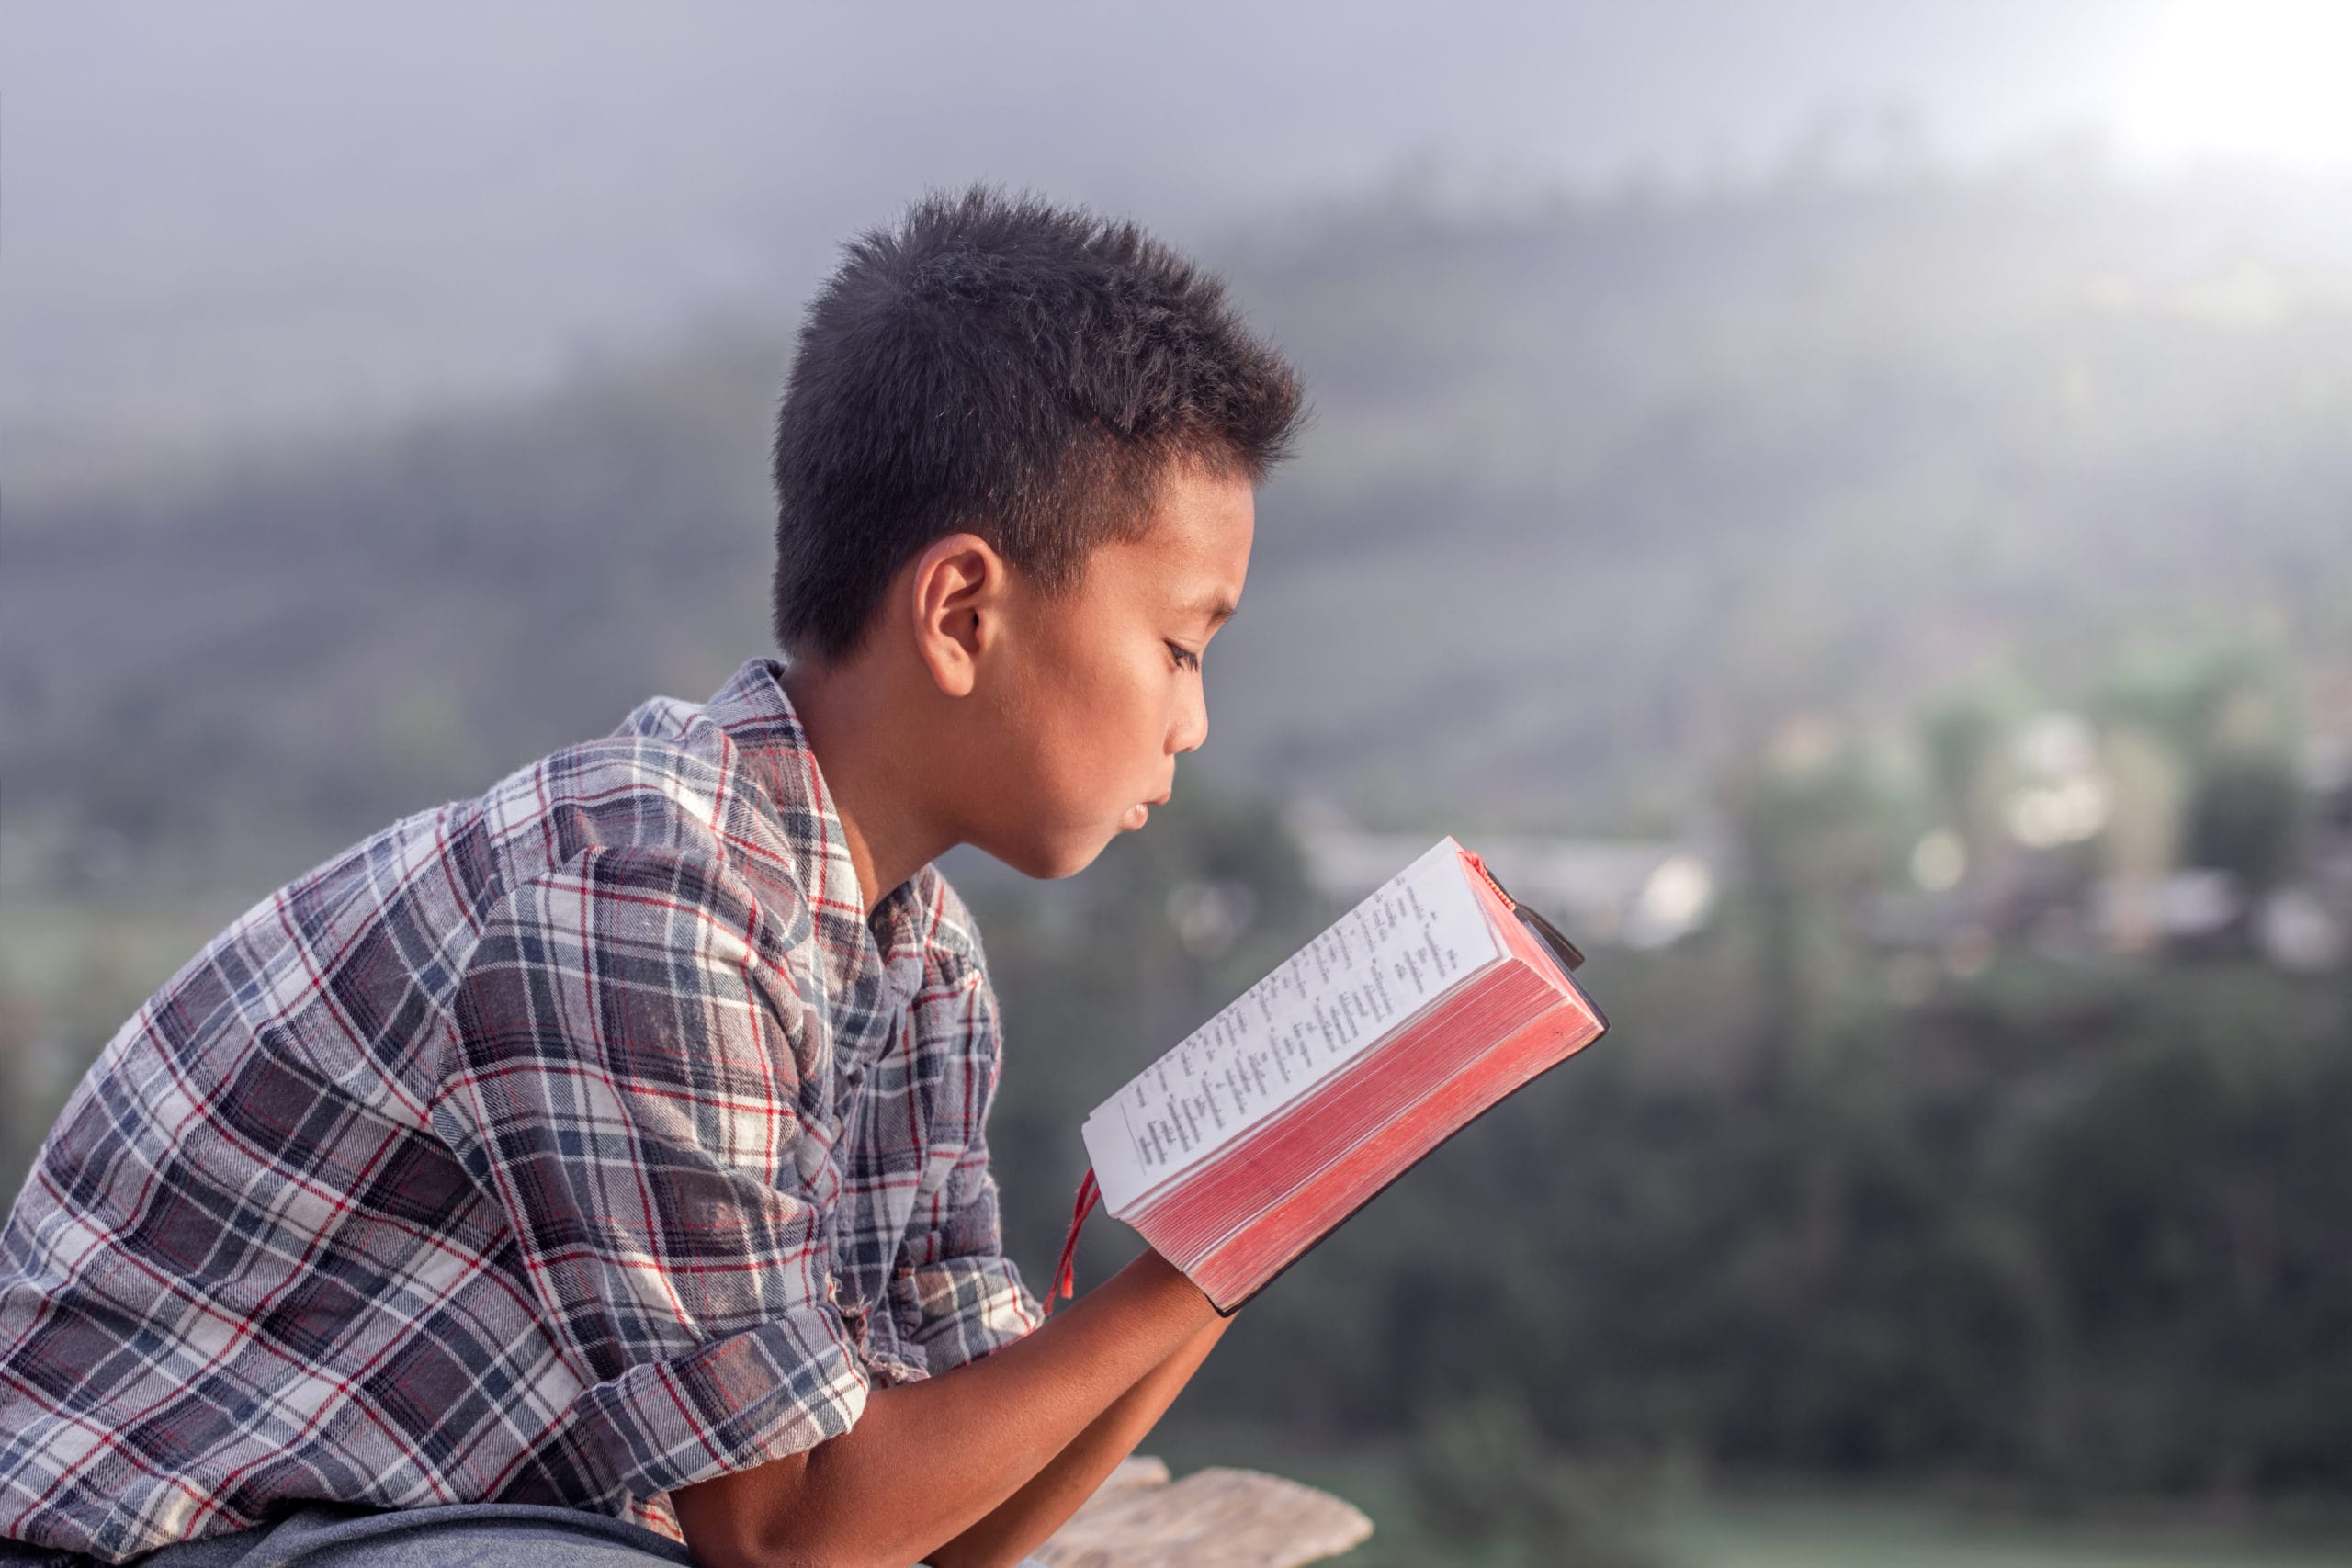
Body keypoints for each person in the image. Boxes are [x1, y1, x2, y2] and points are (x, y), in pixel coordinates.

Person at [0, 186, 1305, 1568]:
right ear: (964, 613)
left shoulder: (921, 969)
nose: (1192, 721)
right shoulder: (650, 891)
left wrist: (1237, 1241)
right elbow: (786, 1538)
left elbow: (940, 1528)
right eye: (1179, 647)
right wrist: (1167, 1287)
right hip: (145, 1543)